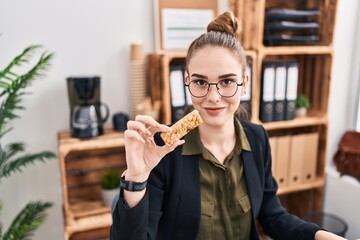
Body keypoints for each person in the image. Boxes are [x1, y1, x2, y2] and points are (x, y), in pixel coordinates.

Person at [111, 11, 346, 240]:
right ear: (186, 81)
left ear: (244, 84)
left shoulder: (257, 138)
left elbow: (271, 215)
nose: (213, 96)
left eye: (227, 81)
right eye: (201, 82)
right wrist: (136, 178)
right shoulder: (162, 150)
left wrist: (318, 235)